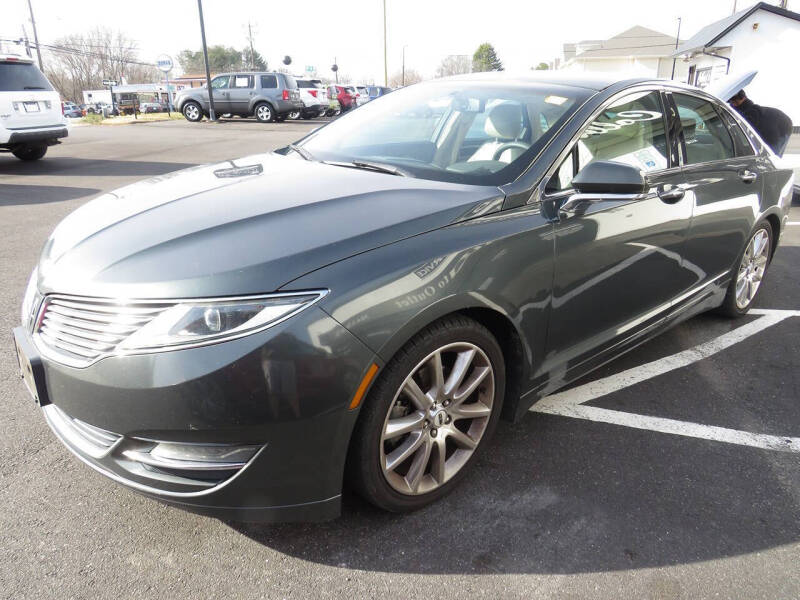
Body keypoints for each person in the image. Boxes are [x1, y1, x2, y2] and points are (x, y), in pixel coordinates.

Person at [728, 89, 793, 157]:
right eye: (732, 102)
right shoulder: (745, 111)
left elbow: (771, 136)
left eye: (736, 101)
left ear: (743, 98)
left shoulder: (752, 112)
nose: (734, 104)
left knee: (771, 155)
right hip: (776, 126)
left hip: (782, 127)